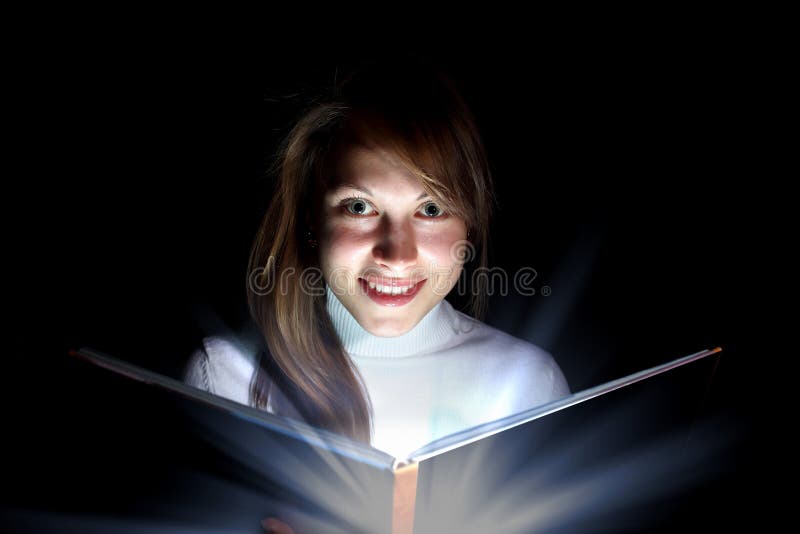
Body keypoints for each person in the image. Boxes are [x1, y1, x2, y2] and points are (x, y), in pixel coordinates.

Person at [183, 58, 570, 523]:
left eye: (431, 209)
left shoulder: (527, 387)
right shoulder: (225, 378)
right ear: (312, 216)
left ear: (470, 224)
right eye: (360, 206)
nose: (397, 254)